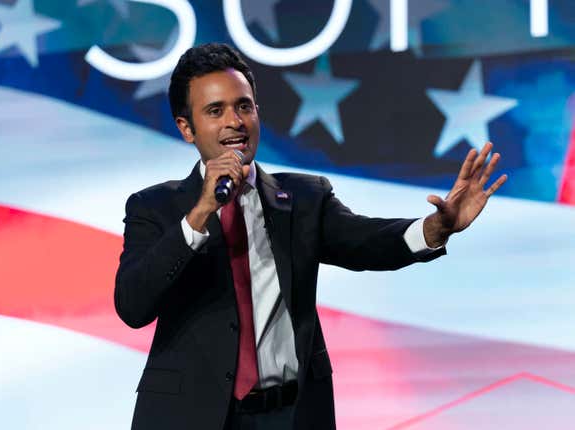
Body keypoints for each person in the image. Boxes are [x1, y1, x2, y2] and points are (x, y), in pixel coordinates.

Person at [114, 43, 507, 430]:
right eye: (216, 111)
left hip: (289, 415)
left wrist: (434, 228)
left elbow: (367, 241)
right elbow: (133, 306)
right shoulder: (155, 208)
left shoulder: (304, 197)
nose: (235, 120)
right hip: (190, 417)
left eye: (244, 106)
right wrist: (200, 212)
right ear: (187, 128)